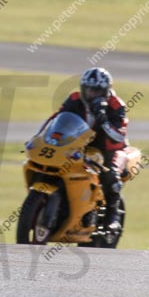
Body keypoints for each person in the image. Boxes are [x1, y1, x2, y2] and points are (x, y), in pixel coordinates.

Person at [51, 67, 128, 233]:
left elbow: (119, 136)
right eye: (88, 89)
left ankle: (113, 217)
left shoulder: (116, 105)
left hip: (110, 148)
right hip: (82, 143)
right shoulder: (75, 99)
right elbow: (57, 118)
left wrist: (104, 120)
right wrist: (42, 136)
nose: (91, 94)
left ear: (106, 90)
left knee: (110, 175)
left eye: (96, 90)